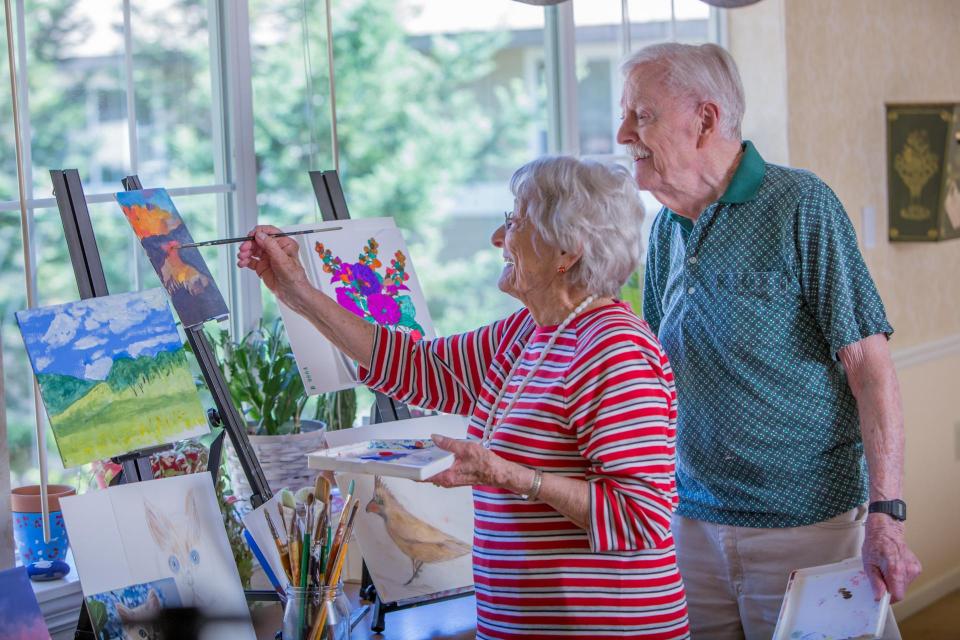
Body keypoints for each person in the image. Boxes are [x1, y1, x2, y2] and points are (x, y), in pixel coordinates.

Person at [238, 156, 690, 639]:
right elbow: (414, 367)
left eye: (514, 222)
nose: (499, 239)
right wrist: (297, 291)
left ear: (568, 251)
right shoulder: (528, 332)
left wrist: (507, 475)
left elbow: (642, 516)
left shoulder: (614, 348)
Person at [616, 42, 922, 638]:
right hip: (691, 523)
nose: (624, 133)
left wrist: (886, 516)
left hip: (808, 526)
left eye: (641, 115)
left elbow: (870, 367)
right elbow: (654, 373)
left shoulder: (800, 204)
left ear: (704, 119)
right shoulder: (662, 231)